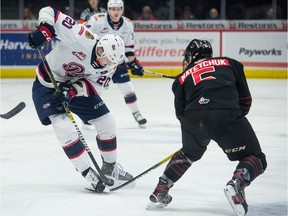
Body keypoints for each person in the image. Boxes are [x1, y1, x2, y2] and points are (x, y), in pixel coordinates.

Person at [148, 39, 267, 216]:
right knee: (256, 157)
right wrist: (225, 123)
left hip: (194, 118)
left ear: (192, 56)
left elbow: (181, 115)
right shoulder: (230, 63)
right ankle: (238, 182)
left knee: (188, 153)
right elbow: (245, 101)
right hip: (227, 114)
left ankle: (161, 189)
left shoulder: (180, 79)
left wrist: (200, 133)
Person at [27, 6, 134, 193]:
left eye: (111, 62)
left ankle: (110, 169)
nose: (107, 65)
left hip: (74, 88)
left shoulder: (109, 66)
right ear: (100, 49)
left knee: (107, 122)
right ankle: (87, 172)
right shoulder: (81, 35)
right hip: (47, 85)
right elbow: (49, 10)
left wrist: (70, 92)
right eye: (106, 60)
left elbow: (95, 87)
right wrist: (44, 30)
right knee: (63, 127)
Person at [84, 0, 147, 128]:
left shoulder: (128, 24)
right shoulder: (97, 20)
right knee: (96, 92)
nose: (116, 12)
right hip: (99, 63)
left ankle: (136, 113)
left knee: (128, 89)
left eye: (118, 9)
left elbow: (129, 48)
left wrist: (134, 63)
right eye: (113, 9)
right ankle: (88, 116)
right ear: (108, 9)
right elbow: (83, 34)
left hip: (118, 63)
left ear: (122, 9)